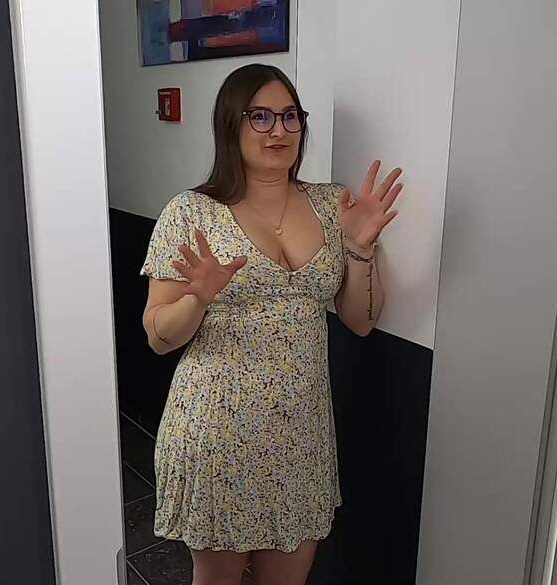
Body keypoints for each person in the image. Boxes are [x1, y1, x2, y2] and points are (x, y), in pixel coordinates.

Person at [140, 63, 403, 585]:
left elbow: (360, 321)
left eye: (290, 116)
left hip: (301, 434)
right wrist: (197, 298)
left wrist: (360, 246)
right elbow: (157, 336)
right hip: (217, 430)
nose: (278, 130)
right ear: (230, 124)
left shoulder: (330, 204)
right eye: (259, 116)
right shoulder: (190, 213)